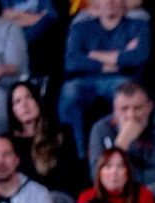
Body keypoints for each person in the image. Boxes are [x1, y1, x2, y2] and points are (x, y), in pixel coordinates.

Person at [84, 83, 155, 201]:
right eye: (124, 109)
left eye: (137, 108)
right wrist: (120, 145)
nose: (131, 115)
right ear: (115, 109)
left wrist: (151, 192)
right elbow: (96, 176)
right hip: (122, 196)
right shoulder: (101, 129)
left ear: (149, 107)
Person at [58, 0, 149, 146]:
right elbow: (71, 61)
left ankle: (121, 149)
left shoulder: (138, 25)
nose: (109, 2)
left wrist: (92, 54)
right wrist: (116, 59)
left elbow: (138, 57)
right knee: (69, 90)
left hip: (122, 79)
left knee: (125, 93)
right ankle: (75, 151)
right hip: (86, 81)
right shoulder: (80, 27)